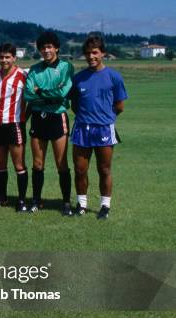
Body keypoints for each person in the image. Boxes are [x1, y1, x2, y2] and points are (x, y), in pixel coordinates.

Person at [70, 35, 127, 220]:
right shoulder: (78, 78)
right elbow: (75, 105)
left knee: (104, 169)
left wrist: (104, 118)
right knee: (80, 170)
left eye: (95, 52)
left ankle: (105, 206)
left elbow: (119, 106)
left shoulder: (114, 77)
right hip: (81, 130)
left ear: (103, 53)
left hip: (103, 129)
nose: (91, 56)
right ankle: (81, 205)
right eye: (87, 53)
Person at [24, 32, 75, 216]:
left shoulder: (66, 67)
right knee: (38, 164)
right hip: (38, 118)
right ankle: (36, 201)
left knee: (62, 163)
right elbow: (28, 95)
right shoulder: (34, 69)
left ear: (56, 48)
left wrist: (41, 92)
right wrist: (48, 94)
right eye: (43, 47)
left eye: (49, 47)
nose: (46, 50)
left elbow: (63, 94)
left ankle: (66, 202)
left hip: (57, 118)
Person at [0, 43, 29, 212]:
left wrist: (23, 119)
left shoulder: (23, 76)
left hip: (14, 125)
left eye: (7, 57)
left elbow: (30, 100)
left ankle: (21, 200)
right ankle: (1, 197)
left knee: (19, 165)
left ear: (14, 58)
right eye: (2, 57)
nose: (4, 60)